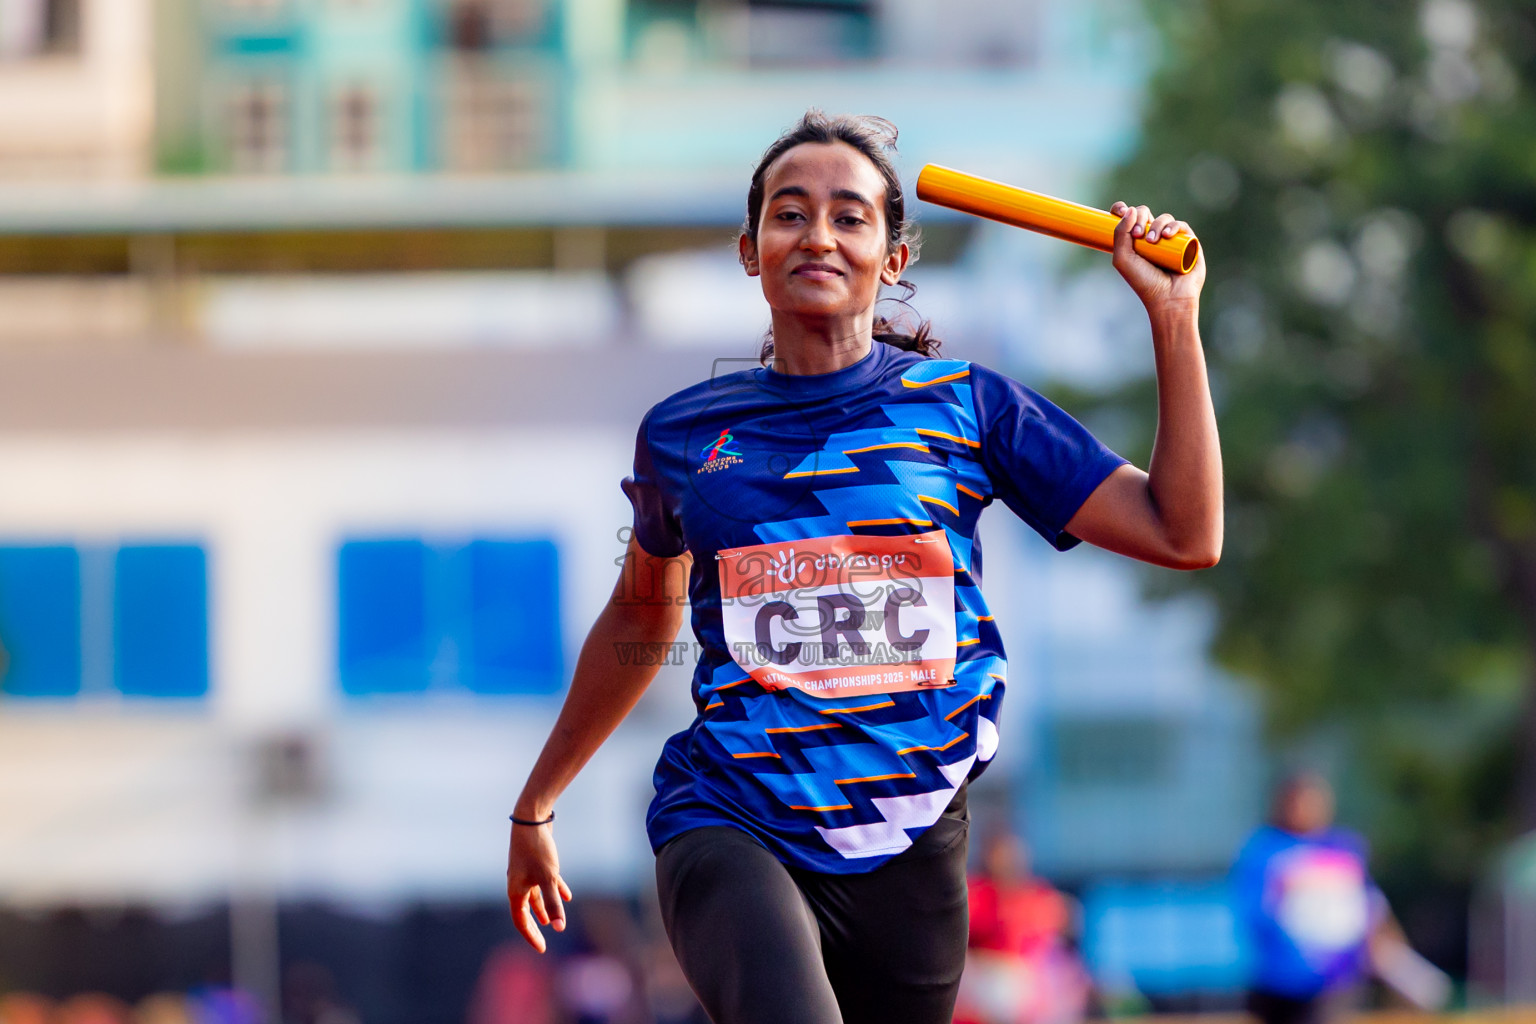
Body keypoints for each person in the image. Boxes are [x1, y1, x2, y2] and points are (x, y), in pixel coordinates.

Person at [505, 110, 1222, 1024]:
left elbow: (1184, 532)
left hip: (913, 834)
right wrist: (538, 802)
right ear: (749, 247)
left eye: (850, 216)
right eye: (790, 212)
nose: (818, 235)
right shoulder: (686, 436)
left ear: (893, 258)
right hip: (733, 816)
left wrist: (1174, 317)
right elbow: (643, 619)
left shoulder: (968, 409)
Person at [1231, 772, 1445, 1024]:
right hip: (1280, 981)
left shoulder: (1344, 847)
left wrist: (1391, 950)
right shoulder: (1264, 850)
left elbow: (1370, 906)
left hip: (1336, 980)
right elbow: (1254, 912)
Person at [955, 831, 1090, 1024]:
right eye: (998, 854)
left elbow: (1062, 941)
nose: (1004, 860)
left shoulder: (1038, 896)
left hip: (1027, 981)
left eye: (1010, 854)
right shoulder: (975, 893)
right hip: (982, 979)